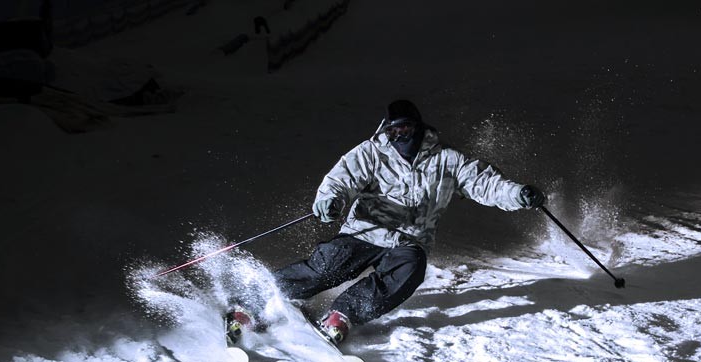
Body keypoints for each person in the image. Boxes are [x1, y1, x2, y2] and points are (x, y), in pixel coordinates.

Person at [226, 99, 545, 346]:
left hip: (409, 241)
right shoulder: (371, 153)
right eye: (393, 130)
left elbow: (484, 183)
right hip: (365, 231)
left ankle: (342, 316)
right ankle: (251, 303)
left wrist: (518, 194)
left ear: (418, 128)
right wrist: (331, 201)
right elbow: (342, 178)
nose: (399, 136)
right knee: (328, 267)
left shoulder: (447, 160)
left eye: (405, 129)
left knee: (410, 269)